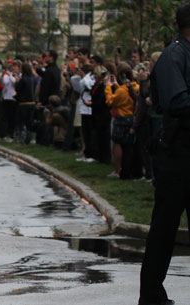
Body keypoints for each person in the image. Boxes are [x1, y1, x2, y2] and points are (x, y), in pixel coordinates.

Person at [140, 3, 190, 304]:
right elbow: (176, 101)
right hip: (177, 154)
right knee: (165, 228)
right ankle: (151, 296)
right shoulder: (174, 54)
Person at [105, 62, 139, 179]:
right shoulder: (136, 87)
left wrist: (108, 87)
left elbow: (110, 101)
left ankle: (118, 170)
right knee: (129, 146)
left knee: (118, 143)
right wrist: (116, 86)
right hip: (132, 117)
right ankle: (128, 170)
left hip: (121, 118)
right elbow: (128, 93)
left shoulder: (121, 91)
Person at [37, 49, 61, 145]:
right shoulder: (56, 70)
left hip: (48, 100)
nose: (45, 57)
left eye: (46, 56)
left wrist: (41, 101)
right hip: (54, 98)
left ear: (51, 57)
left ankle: (45, 141)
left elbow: (45, 88)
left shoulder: (49, 71)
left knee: (46, 122)